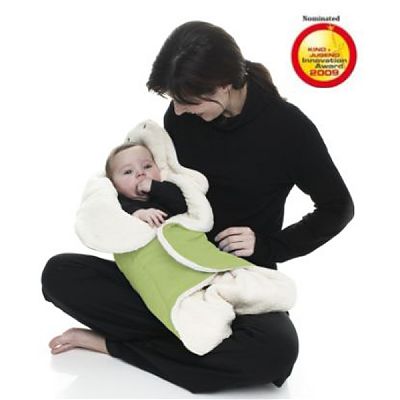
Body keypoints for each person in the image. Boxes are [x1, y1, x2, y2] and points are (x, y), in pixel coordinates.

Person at [42, 21, 354, 393]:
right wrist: (133, 208)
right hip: (168, 269)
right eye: (173, 100)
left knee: (275, 352)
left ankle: (112, 345)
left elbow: (337, 206)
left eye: (187, 101)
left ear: (223, 86)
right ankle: (192, 341)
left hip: (234, 279)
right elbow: (153, 185)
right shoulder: (181, 119)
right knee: (59, 274)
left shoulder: (289, 129)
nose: (177, 110)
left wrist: (269, 245)